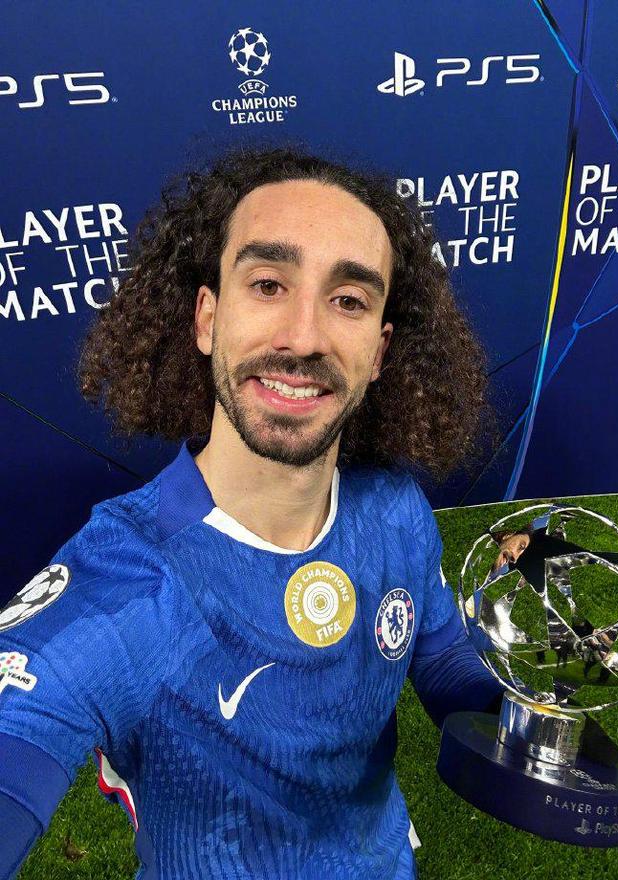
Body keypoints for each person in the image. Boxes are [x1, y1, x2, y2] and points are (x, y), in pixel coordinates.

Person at [0, 144, 504, 880]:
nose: (303, 337)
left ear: (378, 352)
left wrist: (522, 718)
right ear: (207, 318)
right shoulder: (126, 587)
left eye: (349, 300)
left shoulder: (395, 509)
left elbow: (440, 654)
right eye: (268, 284)